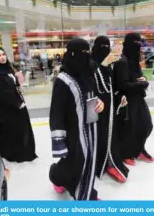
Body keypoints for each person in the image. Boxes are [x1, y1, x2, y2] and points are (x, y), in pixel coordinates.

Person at [49, 38, 104, 200]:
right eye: (82, 54)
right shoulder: (63, 80)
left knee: (84, 160)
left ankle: (58, 177)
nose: (85, 57)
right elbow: (56, 112)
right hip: (73, 130)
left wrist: (100, 101)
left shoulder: (89, 73)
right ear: (71, 55)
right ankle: (85, 197)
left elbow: (94, 94)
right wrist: (59, 141)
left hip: (91, 127)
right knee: (79, 160)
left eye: (88, 53)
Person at [0, 47, 37, 163]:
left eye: (3, 54)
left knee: (22, 129)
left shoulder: (8, 70)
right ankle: (14, 154)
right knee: (12, 131)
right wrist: (17, 104)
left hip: (17, 105)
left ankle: (25, 152)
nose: (2, 57)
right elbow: (1, 93)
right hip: (7, 110)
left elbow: (13, 87)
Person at [91, 36, 129, 183]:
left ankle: (111, 163)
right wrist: (103, 65)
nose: (105, 49)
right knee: (100, 135)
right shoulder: (90, 63)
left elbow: (112, 87)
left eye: (108, 46)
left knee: (111, 135)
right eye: (102, 46)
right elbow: (93, 85)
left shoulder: (112, 64)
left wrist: (120, 97)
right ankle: (99, 164)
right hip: (97, 107)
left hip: (111, 106)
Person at [113, 33, 154, 165]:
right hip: (127, 100)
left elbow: (140, 77)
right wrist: (140, 84)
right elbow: (121, 85)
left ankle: (139, 149)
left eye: (139, 44)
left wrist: (144, 80)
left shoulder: (134, 60)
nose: (137, 47)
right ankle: (127, 153)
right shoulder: (122, 61)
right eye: (134, 44)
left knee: (147, 125)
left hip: (138, 97)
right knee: (129, 128)